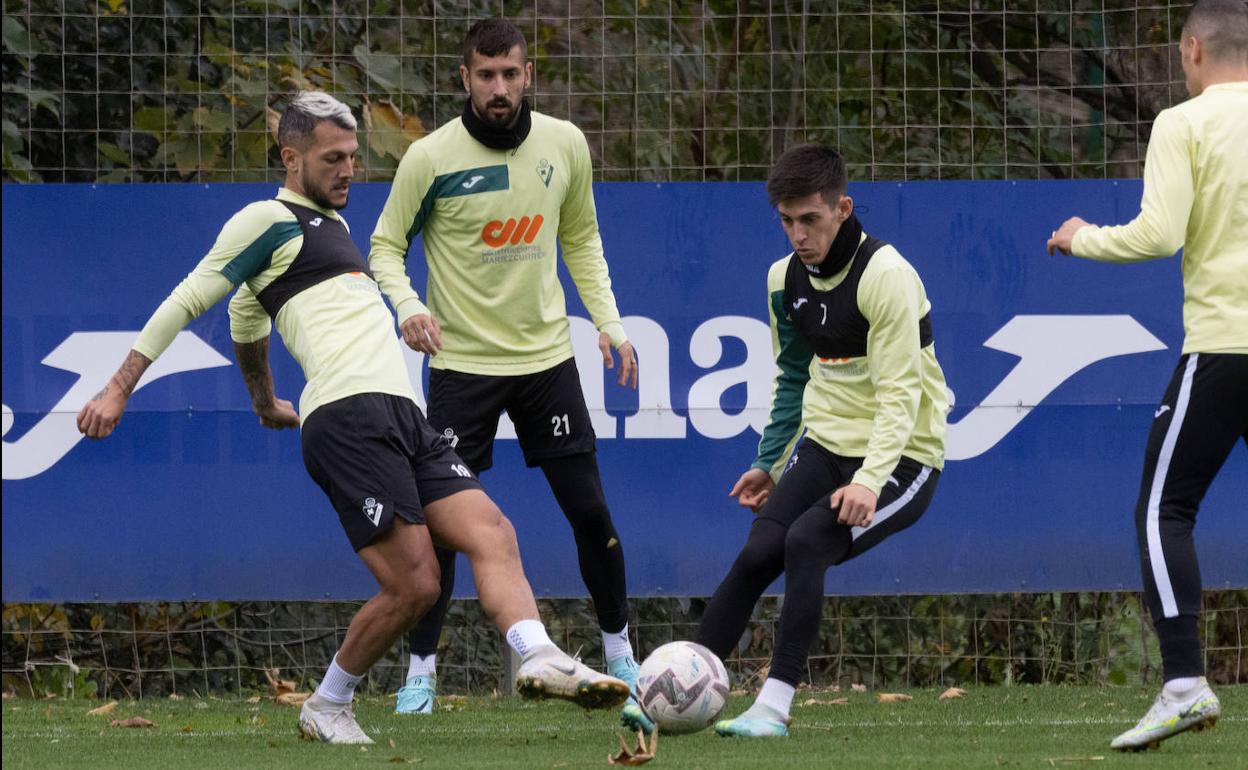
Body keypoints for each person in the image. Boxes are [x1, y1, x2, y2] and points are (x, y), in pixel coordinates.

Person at [76, 91, 628, 745]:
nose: (349, 171)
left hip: (403, 414)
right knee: (416, 581)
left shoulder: (333, 229)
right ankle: (329, 702)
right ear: (291, 158)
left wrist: (263, 402)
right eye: (333, 158)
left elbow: (246, 324)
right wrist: (116, 388)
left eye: (354, 157)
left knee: (492, 530)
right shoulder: (263, 219)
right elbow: (189, 300)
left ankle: (537, 655)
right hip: (347, 419)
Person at [368, 18, 644, 725]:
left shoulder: (564, 144)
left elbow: (580, 237)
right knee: (444, 530)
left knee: (591, 513)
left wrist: (609, 325)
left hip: (547, 362)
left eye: (510, 74)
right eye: (485, 75)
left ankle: (620, 656)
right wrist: (407, 306)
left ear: (527, 76)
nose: (499, 88)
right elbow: (385, 247)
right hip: (461, 369)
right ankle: (422, 674)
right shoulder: (430, 158)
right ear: (464, 78)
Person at [694, 144, 948, 738]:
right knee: (759, 552)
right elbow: (791, 376)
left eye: (810, 218)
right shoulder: (782, 280)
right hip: (827, 445)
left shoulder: (887, 276)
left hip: (905, 457)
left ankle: (773, 708)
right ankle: (676, 686)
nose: (797, 234)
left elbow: (901, 396)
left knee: (807, 542)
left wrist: (870, 479)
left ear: (842, 208)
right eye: (786, 220)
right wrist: (768, 462)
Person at [1047, 0, 1246, 752]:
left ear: (1193, 49)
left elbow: (1159, 235)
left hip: (1226, 348)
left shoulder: (1184, 123)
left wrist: (1080, 236)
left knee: (1165, 511)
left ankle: (1186, 684)